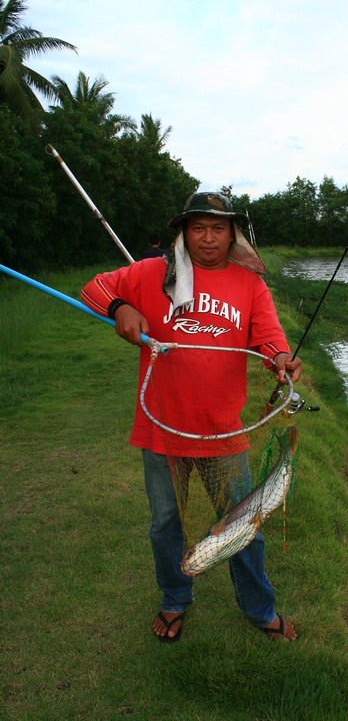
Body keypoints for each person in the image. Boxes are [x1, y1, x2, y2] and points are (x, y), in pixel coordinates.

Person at [81, 192, 302, 643]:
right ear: (184, 232)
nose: (207, 237)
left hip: (224, 431)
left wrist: (280, 356)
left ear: (232, 233)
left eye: (217, 228)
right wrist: (120, 307)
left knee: (244, 526)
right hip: (161, 427)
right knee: (166, 524)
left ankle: (260, 609)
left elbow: (269, 337)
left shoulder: (249, 284)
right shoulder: (150, 274)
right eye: (198, 227)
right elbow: (95, 288)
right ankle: (175, 600)